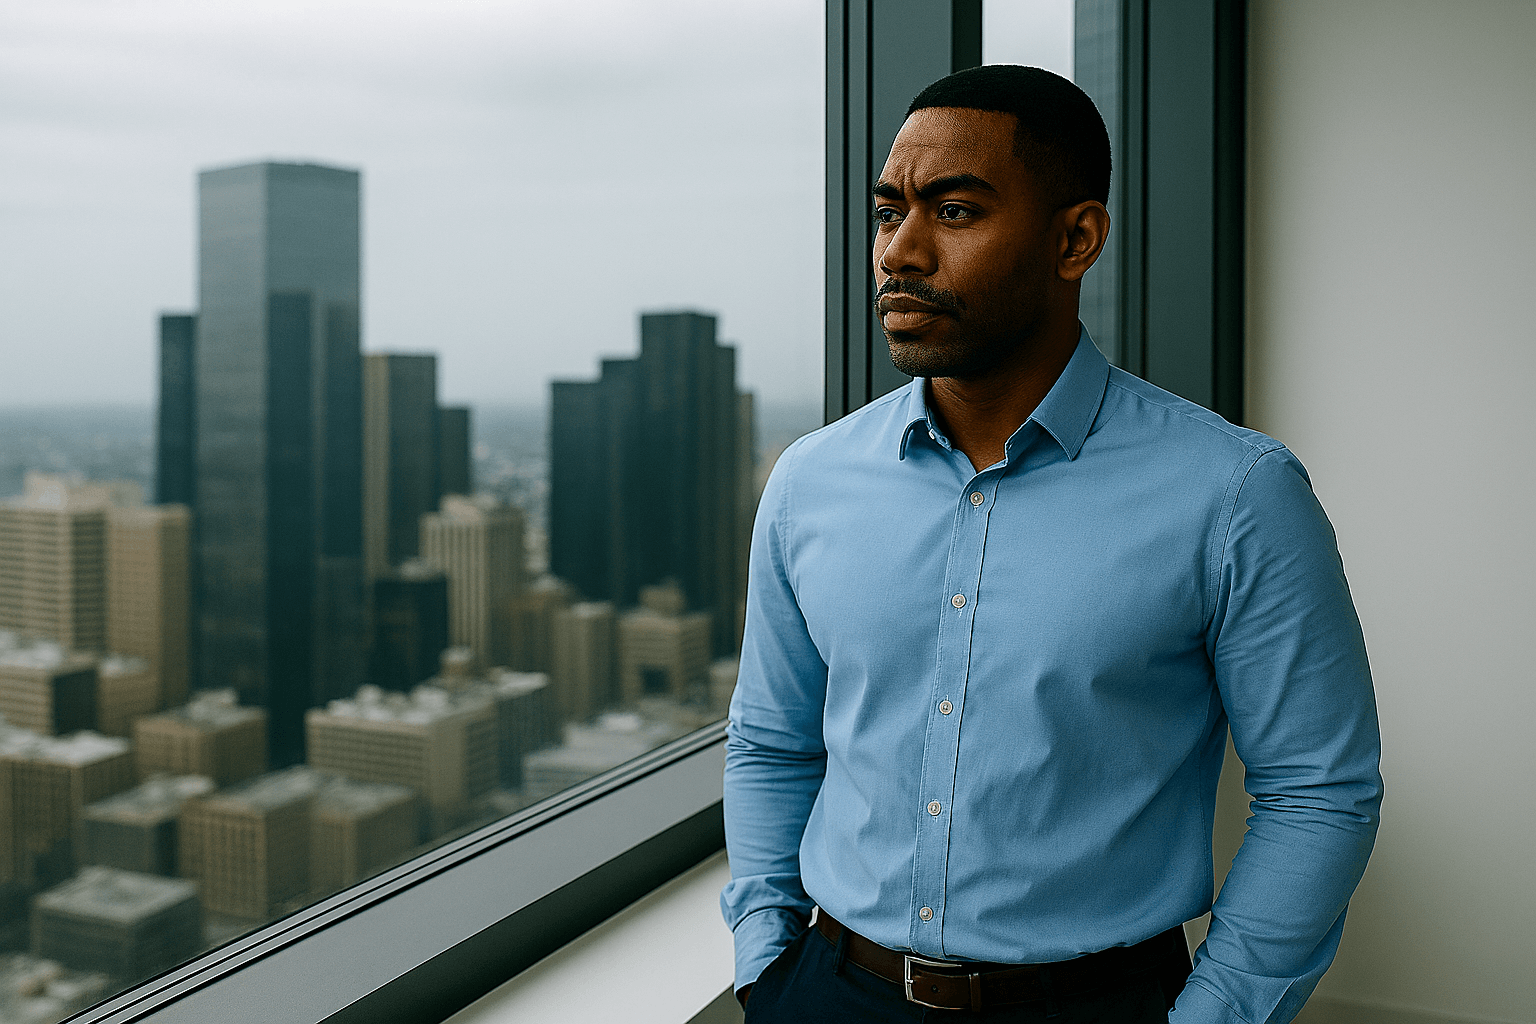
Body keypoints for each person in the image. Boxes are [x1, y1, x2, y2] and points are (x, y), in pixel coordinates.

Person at [720, 64, 1382, 1024]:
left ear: (1076, 239)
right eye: (886, 211)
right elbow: (772, 743)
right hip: (830, 994)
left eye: (952, 212)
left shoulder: (1234, 493)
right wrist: (765, 964)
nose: (899, 252)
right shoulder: (810, 483)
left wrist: (1218, 1013)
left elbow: (1318, 789)